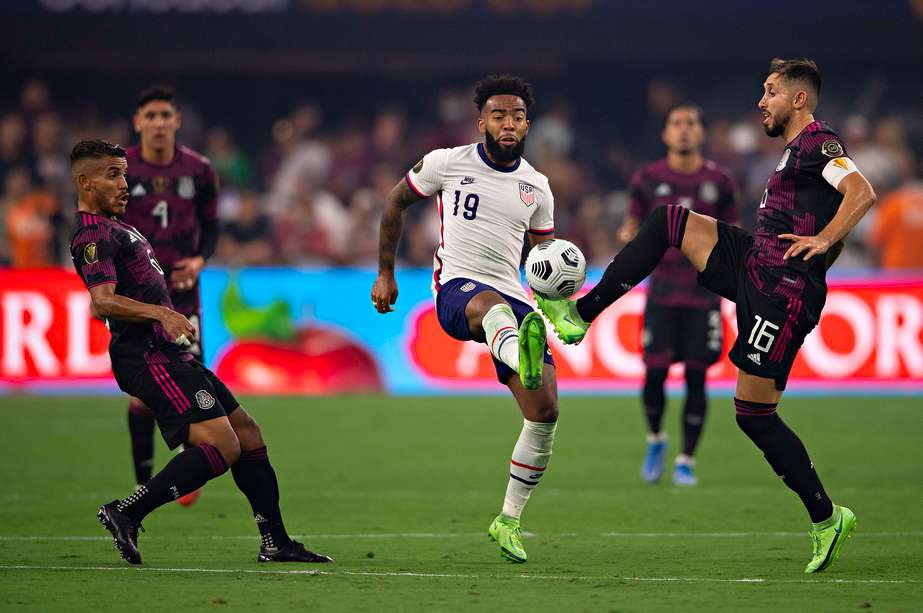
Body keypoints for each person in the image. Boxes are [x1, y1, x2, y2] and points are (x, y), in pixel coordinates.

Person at [538, 58, 876, 573]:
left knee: (752, 413)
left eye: (770, 92)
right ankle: (582, 314)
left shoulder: (819, 144)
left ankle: (828, 517)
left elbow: (862, 192)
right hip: (756, 261)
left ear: (799, 99)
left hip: (784, 292)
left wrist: (825, 240)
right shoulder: (791, 155)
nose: (761, 101)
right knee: (670, 219)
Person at [68, 139, 332, 566]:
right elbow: (101, 301)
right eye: (112, 175)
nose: (124, 184)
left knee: (247, 434)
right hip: (148, 357)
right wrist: (161, 314)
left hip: (170, 354)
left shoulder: (121, 227)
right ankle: (127, 511)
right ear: (84, 182)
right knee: (223, 446)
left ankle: (276, 542)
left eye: (124, 173)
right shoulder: (93, 234)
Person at [372, 75, 556, 564]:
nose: (508, 123)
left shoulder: (536, 186)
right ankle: (523, 353)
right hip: (458, 288)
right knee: (491, 308)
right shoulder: (446, 162)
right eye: (499, 115)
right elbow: (394, 202)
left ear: (527, 123)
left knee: (544, 414)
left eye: (517, 115)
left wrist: (563, 309)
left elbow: (544, 266)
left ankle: (508, 520)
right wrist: (386, 273)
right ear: (482, 122)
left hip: (515, 298)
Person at [617, 102, 740, 486]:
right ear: (665, 134)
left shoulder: (720, 181)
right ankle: (656, 439)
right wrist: (631, 238)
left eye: (690, 123)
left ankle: (686, 459)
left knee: (697, 377)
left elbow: (733, 233)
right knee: (654, 374)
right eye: (676, 123)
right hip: (663, 293)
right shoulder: (648, 178)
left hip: (703, 295)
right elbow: (630, 225)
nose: (683, 130)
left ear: (701, 133)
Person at [121, 86, 220, 506]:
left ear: (177, 121)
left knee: (193, 377)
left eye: (166, 115)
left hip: (184, 293)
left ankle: (187, 460)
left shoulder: (199, 170)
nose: (159, 123)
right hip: (140, 297)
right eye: (152, 115)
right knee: (142, 395)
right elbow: (105, 228)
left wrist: (199, 260)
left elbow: (212, 228)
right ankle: (143, 480)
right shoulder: (120, 170)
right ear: (138, 122)